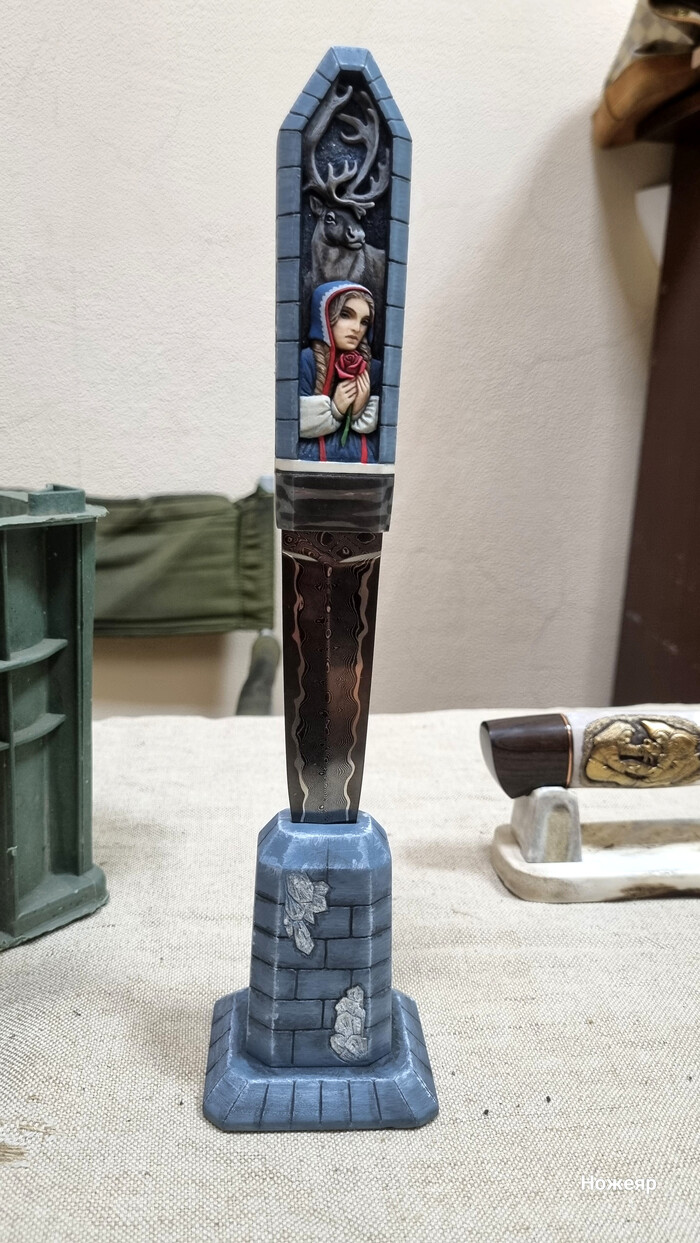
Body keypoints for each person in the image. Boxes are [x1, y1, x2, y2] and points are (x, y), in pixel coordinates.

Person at [298, 280, 382, 463]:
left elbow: (381, 425)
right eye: (346, 315)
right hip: (313, 459)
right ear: (325, 315)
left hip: (361, 460)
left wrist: (359, 410)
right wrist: (336, 409)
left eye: (364, 322)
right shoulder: (307, 361)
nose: (356, 328)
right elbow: (295, 421)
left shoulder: (373, 369)